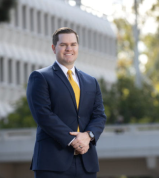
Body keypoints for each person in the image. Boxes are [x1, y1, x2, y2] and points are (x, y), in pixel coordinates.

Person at [27, 27, 106, 178]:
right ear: (53, 48)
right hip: (52, 162)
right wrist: (72, 140)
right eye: (63, 45)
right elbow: (43, 115)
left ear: (78, 47)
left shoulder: (91, 82)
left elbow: (99, 116)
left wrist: (88, 136)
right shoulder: (40, 77)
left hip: (86, 162)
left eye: (73, 44)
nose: (69, 48)